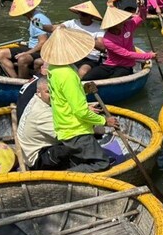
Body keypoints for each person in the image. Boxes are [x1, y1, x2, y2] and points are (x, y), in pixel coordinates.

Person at [43, 26, 119, 172]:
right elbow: (81, 112)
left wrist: (82, 90)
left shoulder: (54, 68)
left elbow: (63, 94)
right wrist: (105, 121)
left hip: (63, 125)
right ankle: (67, 176)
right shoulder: (68, 75)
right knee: (102, 164)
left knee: (84, 158)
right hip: (75, 129)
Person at [83, 7, 156, 81]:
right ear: (112, 25)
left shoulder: (128, 25)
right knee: (86, 78)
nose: (122, 22)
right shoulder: (107, 39)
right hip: (109, 65)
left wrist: (142, 7)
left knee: (113, 79)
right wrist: (148, 55)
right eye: (119, 22)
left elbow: (141, 17)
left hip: (125, 66)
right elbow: (126, 54)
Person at [17, 76, 70, 170]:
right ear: (38, 92)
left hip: (31, 148)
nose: (54, 95)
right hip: (37, 159)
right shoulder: (42, 113)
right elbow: (68, 136)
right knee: (78, 144)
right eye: (48, 92)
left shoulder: (36, 99)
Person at [41, 1, 105, 78]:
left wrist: (84, 38)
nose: (81, 16)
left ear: (91, 16)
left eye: (84, 14)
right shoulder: (72, 23)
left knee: (83, 71)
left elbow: (102, 46)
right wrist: (39, 25)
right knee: (43, 64)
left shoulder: (98, 29)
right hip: (70, 55)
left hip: (89, 58)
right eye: (79, 13)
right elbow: (53, 28)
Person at [0, 0, 51, 79]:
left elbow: (42, 42)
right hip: (32, 47)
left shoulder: (38, 19)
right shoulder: (34, 17)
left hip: (42, 52)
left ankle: (22, 81)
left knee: (22, 59)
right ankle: (15, 79)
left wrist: (26, 53)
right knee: (1, 53)